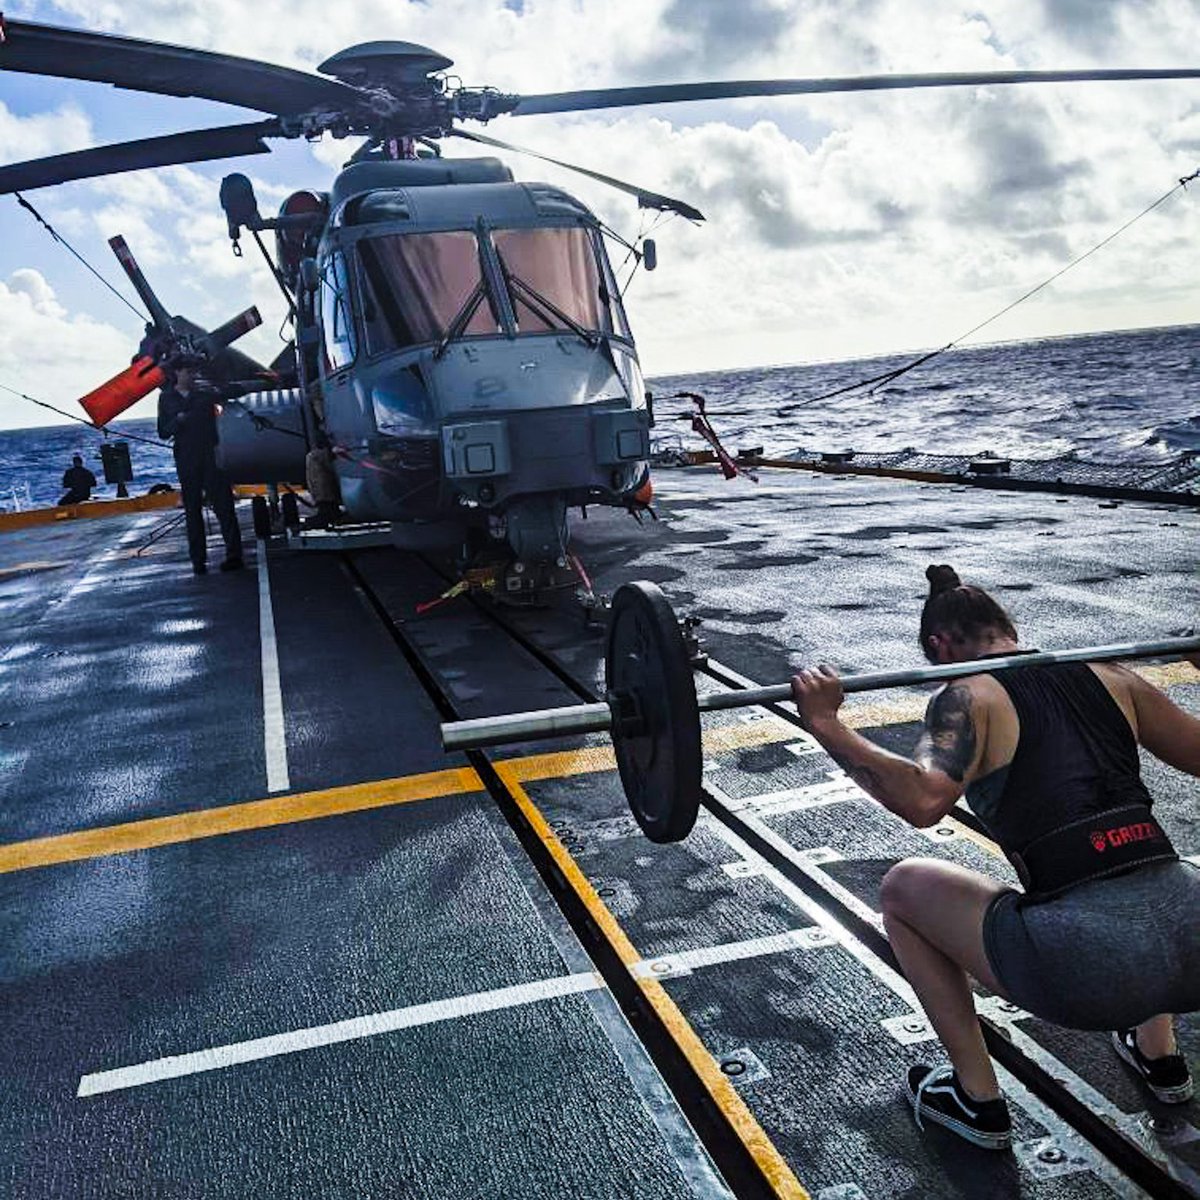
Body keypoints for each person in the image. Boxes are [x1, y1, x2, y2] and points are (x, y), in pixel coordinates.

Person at [791, 564, 1199, 1150]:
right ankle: (1159, 1057)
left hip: (1090, 968)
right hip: (1192, 936)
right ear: (1008, 629)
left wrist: (827, 723)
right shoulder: (1112, 675)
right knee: (1146, 868)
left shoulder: (966, 696)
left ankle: (976, 1098)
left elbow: (923, 801)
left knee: (904, 888)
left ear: (940, 647)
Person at [157, 362, 244, 575]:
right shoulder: (166, 399)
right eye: (188, 371)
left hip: (210, 456)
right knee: (192, 510)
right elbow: (163, 432)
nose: (192, 375)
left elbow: (231, 391)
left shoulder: (205, 394)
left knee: (224, 506)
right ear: (177, 372)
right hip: (187, 459)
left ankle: (234, 555)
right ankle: (198, 560)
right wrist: (178, 421)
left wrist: (261, 382)